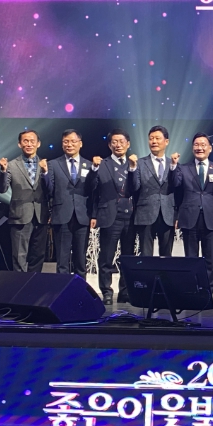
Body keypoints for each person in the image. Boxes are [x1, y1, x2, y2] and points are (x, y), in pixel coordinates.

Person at [172, 133, 213, 293]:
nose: (199, 148)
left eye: (203, 145)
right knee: (191, 258)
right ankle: (192, 289)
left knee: (209, 259)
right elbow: (176, 188)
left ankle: (208, 290)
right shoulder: (183, 168)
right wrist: (173, 166)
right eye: (196, 144)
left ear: (210, 148)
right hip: (189, 217)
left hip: (211, 218)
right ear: (192, 148)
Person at [89, 129, 136, 305]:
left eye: (121, 141)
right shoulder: (102, 164)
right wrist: (94, 169)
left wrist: (133, 168)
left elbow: (137, 188)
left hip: (130, 216)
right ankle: (106, 291)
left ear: (128, 144)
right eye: (114, 142)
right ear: (109, 145)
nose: (118, 145)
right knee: (106, 257)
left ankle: (125, 291)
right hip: (109, 216)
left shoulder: (134, 163)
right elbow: (92, 189)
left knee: (128, 257)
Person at [40, 129, 92, 278]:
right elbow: (49, 190)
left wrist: (93, 215)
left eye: (73, 141)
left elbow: (93, 191)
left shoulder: (90, 165)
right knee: (62, 260)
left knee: (80, 260)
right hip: (61, 216)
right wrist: (44, 173)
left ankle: (81, 289)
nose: (69, 144)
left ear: (80, 144)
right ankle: (62, 289)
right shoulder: (53, 164)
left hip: (82, 216)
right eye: (66, 142)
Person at [0, 130, 50, 273]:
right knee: (19, 255)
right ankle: (20, 284)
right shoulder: (11, 165)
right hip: (20, 216)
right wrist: (3, 171)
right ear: (19, 144)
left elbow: (50, 189)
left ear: (38, 144)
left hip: (41, 215)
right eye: (25, 141)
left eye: (32, 141)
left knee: (38, 255)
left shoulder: (46, 164)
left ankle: (34, 283)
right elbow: (2, 189)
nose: (29, 144)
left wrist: (45, 173)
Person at [129, 126, 176, 257]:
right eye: (151, 139)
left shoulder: (173, 163)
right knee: (145, 255)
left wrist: (177, 215)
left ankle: (165, 272)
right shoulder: (139, 163)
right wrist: (132, 168)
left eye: (157, 138)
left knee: (166, 256)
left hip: (168, 214)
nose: (154, 141)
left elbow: (177, 189)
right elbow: (134, 187)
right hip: (145, 213)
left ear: (166, 141)